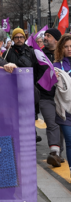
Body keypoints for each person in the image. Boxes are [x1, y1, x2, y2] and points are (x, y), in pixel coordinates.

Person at [37, 28, 64, 167]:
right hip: (45, 96)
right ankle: (54, 152)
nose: (45, 38)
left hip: (62, 98)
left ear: (56, 40)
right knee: (52, 122)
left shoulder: (64, 56)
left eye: (49, 36)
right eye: (45, 35)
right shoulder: (39, 55)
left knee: (61, 124)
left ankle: (59, 153)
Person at [54, 33, 71, 172]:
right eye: (66, 47)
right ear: (61, 48)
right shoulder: (56, 65)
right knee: (70, 142)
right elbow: (47, 86)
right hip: (65, 111)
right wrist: (53, 77)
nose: (69, 49)